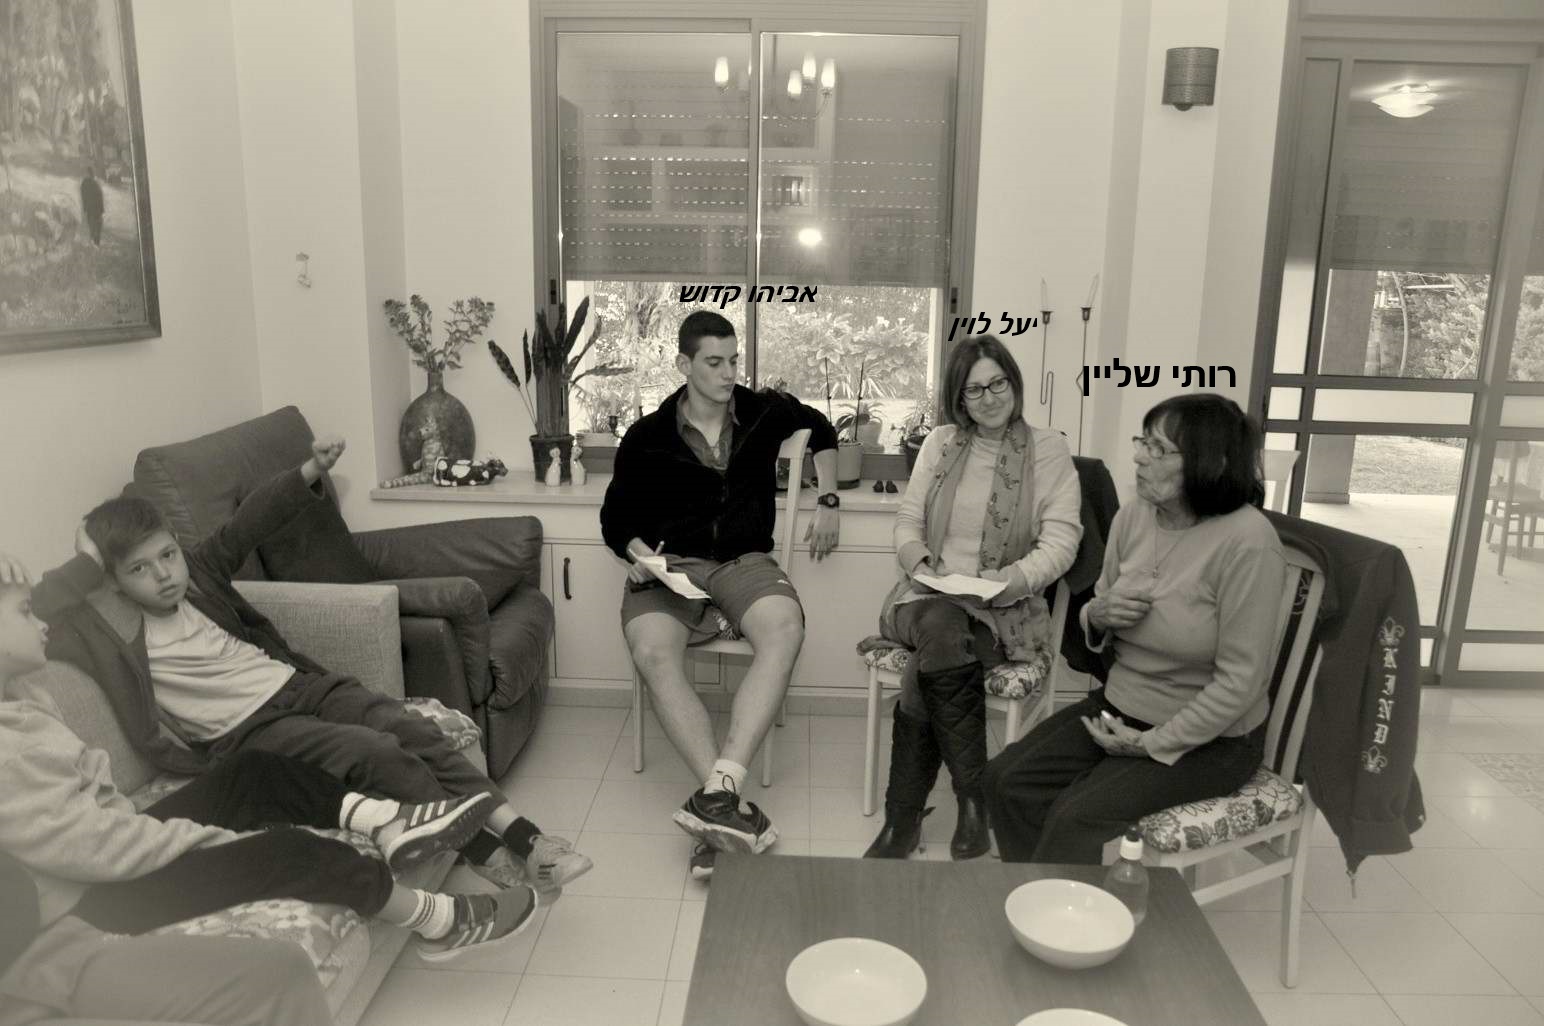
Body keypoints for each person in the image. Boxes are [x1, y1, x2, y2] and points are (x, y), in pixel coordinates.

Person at [34, 436, 590, 900]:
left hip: (297, 683)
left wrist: (306, 472)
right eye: (139, 569)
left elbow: (247, 524)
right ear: (111, 582)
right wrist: (87, 558)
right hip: (249, 731)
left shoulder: (199, 576)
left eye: (167, 555)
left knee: (411, 728)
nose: (163, 576)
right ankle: (486, 853)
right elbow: (42, 605)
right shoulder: (100, 631)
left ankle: (530, 840)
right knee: (375, 752)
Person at [0, 552, 541, 1026]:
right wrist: (219, 845)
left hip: (107, 843)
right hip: (94, 895)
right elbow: (95, 846)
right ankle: (440, 921)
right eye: (25, 613)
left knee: (252, 772)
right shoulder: (8, 754)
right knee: (287, 851)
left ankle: (385, 822)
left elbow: (95, 823)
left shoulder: (18, 696)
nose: (39, 619)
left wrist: (74, 562)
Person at [981, 393, 1287, 864]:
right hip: (1121, 707)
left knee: (1074, 816)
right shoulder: (1134, 515)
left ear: (1213, 462)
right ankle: (1038, 896)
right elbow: (1096, 611)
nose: (1140, 457)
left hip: (1212, 739)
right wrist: (1098, 616)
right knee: (1005, 781)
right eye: (1142, 442)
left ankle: (1067, 910)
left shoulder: (1249, 542)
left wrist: (1149, 744)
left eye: (1159, 449)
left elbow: (1241, 683)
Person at [600, 310, 841, 879]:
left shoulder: (763, 412)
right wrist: (639, 554)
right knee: (652, 652)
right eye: (715, 362)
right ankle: (723, 807)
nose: (730, 372)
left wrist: (829, 500)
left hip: (744, 561)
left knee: (785, 630)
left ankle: (718, 792)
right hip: (671, 567)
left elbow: (822, 429)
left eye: (734, 360)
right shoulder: (646, 436)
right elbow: (615, 518)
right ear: (684, 365)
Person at [862, 335, 1082, 861]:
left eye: (997, 383)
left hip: (1001, 606)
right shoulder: (940, 443)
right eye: (974, 390)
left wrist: (1007, 582)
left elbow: (1061, 543)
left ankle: (903, 819)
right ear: (958, 399)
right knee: (940, 626)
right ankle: (973, 801)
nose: (989, 398)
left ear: (1014, 382)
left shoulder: (1048, 450)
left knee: (933, 659)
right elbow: (908, 519)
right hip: (924, 595)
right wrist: (918, 561)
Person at [79, 167, 104, 247]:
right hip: (96, 209)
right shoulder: (94, 183)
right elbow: (99, 196)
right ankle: (95, 243)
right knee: (96, 226)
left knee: (93, 226)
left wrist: (85, 208)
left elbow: (84, 196)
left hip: (93, 209)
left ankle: (94, 242)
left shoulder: (86, 183)